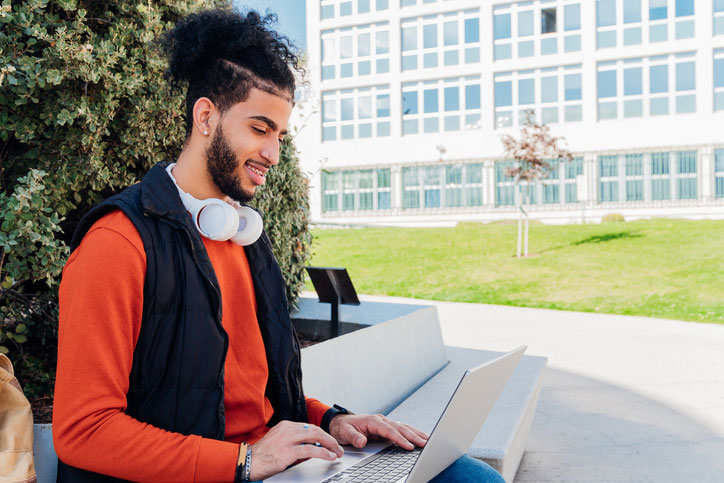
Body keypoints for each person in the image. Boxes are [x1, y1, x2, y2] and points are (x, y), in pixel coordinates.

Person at [52, 8, 505, 483]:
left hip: (273, 468)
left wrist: (332, 420)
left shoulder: (244, 235)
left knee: (470, 477)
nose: (273, 154)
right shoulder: (117, 245)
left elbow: (254, 398)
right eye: (259, 128)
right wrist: (244, 462)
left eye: (280, 135)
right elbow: (83, 431)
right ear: (206, 116)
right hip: (215, 473)